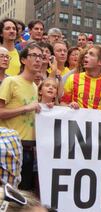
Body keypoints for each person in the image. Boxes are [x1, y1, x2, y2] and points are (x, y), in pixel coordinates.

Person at [0, 43, 43, 191]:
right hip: (10, 149)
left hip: (29, 149)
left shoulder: (35, 87)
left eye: (41, 57)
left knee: (23, 195)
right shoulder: (11, 81)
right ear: (23, 60)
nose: (38, 60)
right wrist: (26, 107)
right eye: (33, 56)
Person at [61, 45, 101, 110]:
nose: (86, 56)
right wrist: (69, 106)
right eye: (87, 53)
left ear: (100, 62)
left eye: (91, 54)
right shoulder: (72, 78)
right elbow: (63, 103)